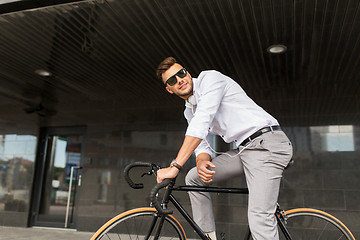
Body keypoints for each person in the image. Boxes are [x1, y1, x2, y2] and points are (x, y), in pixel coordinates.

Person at [155, 57, 293, 240]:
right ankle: (209, 237)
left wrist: (175, 166)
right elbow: (202, 144)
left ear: (187, 73)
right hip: (245, 150)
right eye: (172, 80)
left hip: (266, 144)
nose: (179, 80)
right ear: (169, 89)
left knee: (259, 217)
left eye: (181, 73)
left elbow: (203, 120)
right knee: (193, 178)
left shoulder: (210, 79)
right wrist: (202, 161)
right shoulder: (189, 111)